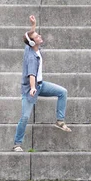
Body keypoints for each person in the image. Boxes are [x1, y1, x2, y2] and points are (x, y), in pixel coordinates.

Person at [13, 15, 71, 152]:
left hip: (41, 85)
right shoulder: (32, 56)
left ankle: (60, 120)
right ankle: (17, 144)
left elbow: (28, 38)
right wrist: (33, 88)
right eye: (37, 36)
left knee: (62, 92)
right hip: (31, 88)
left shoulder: (30, 47)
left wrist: (33, 25)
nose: (40, 36)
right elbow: (31, 74)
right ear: (33, 43)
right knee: (25, 116)